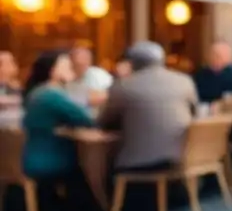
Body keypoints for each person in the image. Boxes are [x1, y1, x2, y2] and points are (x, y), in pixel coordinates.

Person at [98, 42, 198, 172]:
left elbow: (104, 121)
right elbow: (194, 114)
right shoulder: (185, 81)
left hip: (136, 164)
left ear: (132, 63)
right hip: (180, 159)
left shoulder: (122, 86)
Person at [20, 50, 95, 181]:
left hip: (35, 158)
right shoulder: (52, 95)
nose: (72, 68)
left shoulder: (38, 92)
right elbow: (86, 120)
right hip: (52, 160)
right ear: (53, 70)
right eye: (66, 65)